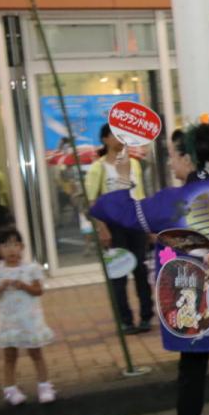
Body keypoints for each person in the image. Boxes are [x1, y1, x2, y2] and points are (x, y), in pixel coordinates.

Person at [89, 122, 209, 415]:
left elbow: (114, 211)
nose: (170, 163)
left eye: (173, 156)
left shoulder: (171, 201)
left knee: (191, 371)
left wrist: (123, 177)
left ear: (187, 158)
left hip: (189, 293)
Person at [87, 125, 153, 334]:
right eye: (115, 135)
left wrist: (149, 226)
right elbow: (92, 202)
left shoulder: (134, 164)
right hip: (114, 226)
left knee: (141, 270)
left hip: (136, 223)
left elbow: (140, 195)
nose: (120, 139)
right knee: (119, 274)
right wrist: (102, 229)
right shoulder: (98, 167)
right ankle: (125, 320)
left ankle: (145, 317)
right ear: (105, 139)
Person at [0, 225, 56, 406]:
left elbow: (38, 290)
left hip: (30, 321)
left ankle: (44, 386)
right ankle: (10, 389)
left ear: (22, 247)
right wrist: (1, 286)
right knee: (10, 355)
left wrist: (23, 285)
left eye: (15, 244)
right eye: (6, 245)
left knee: (36, 353)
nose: (11, 249)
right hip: (8, 323)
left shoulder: (31, 268)